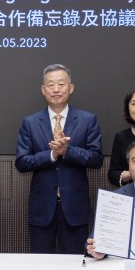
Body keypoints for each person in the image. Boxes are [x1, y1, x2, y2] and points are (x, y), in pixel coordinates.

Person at [15, 64, 103, 254]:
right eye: (51, 85)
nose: (56, 89)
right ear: (43, 89)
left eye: (61, 84)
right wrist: (52, 155)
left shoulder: (88, 120)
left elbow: (96, 159)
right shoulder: (30, 122)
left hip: (75, 208)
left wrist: (67, 151)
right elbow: (21, 162)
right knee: (40, 267)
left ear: (71, 87)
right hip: (42, 208)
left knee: (75, 266)